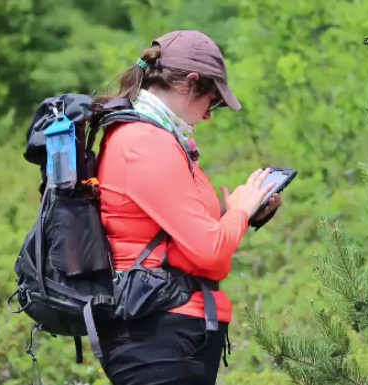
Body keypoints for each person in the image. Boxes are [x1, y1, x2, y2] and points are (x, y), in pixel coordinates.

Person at [94, 30, 282, 385]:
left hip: (164, 331)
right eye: (211, 102)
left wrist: (242, 215)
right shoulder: (146, 143)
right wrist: (239, 212)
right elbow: (211, 252)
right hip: (156, 335)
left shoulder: (155, 138)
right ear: (189, 83)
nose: (209, 116)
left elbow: (189, 245)